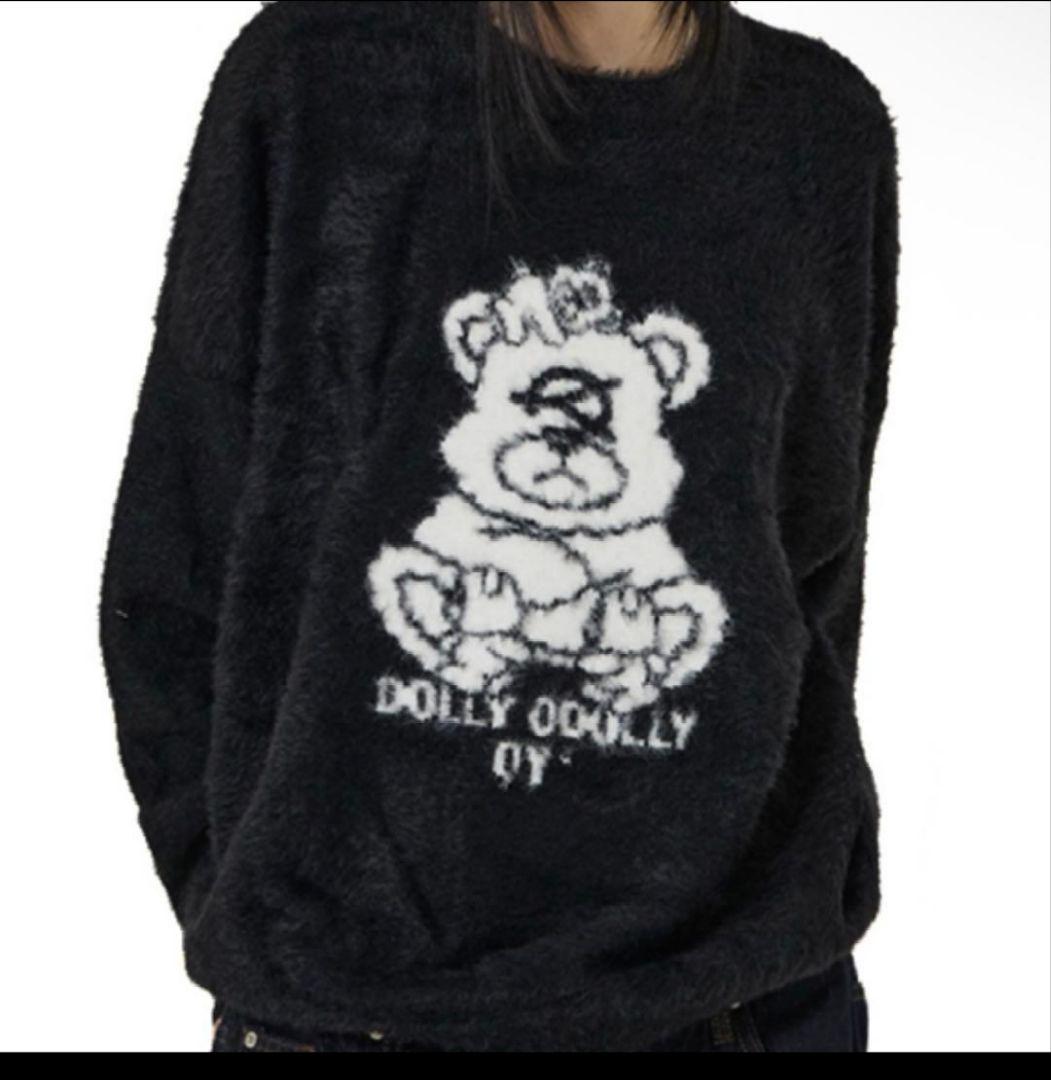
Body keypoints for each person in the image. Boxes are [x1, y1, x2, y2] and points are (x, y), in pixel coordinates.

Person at [98, 0, 899, 1053]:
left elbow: (810, 563)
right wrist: (252, 913)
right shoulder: (317, 78)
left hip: (737, 997)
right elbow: (175, 551)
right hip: (351, 1010)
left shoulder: (818, 127)